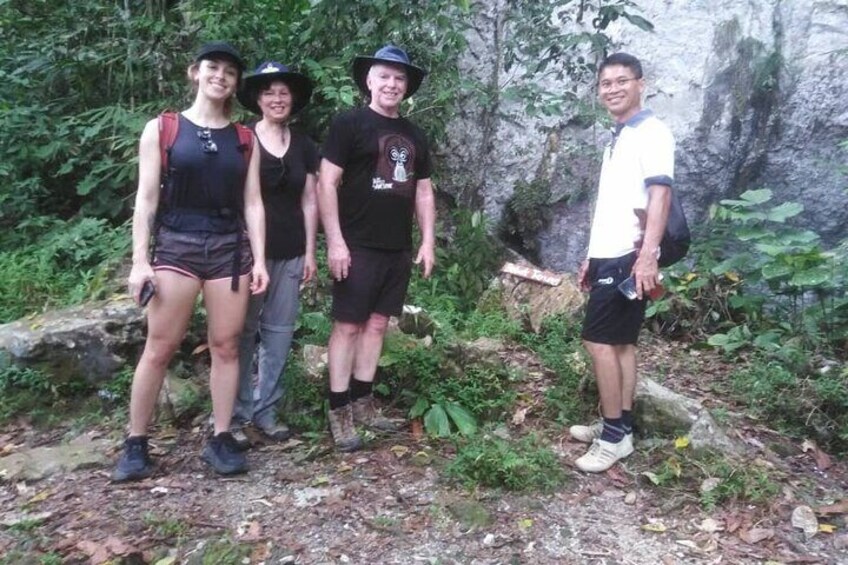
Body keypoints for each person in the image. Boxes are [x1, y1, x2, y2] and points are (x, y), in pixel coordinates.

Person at [112, 41, 269, 481]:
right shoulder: (162, 129)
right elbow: (144, 200)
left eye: (230, 72)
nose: (220, 76)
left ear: (236, 84)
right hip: (176, 244)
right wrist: (140, 261)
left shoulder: (244, 138)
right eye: (212, 67)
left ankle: (221, 439)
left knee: (225, 345)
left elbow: (253, 203)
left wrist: (259, 259)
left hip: (227, 248)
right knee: (159, 347)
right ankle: (136, 443)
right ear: (194, 72)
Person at [317, 45, 436, 451]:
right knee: (347, 326)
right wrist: (334, 240)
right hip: (356, 244)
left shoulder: (415, 135)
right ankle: (339, 410)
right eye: (384, 76)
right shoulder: (348, 124)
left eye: (399, 78)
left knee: (378, 325)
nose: (391, 84)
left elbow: (423, 191)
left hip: (396, 247)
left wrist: (428, 241)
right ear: (369, 81)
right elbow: (326, 183)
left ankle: (364, 402)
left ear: (406, 88)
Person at [571, 52, 674, 473]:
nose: (612, 89)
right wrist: (590, 259)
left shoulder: (652, 132)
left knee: (597, 342)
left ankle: (612, 437)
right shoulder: (620, 135)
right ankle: (621, 429)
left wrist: (647, 255)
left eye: (621, 81)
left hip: (630, 257)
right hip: (610, 255)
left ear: (641, 83)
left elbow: (660, 196)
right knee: (621, 344)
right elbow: (615, 205)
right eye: (605, 83)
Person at [231, 61, 319, 445]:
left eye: (283, 92)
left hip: (291, 251)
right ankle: (235, 413)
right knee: (243, 333)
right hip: (249, 255)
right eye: (269, 92)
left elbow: (310, 201)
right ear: (257, 99)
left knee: (279, 334)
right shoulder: (241, 139)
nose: (277, 98)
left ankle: (267, 410)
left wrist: (311, 252)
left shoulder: (304, 145)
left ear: (293, 99)